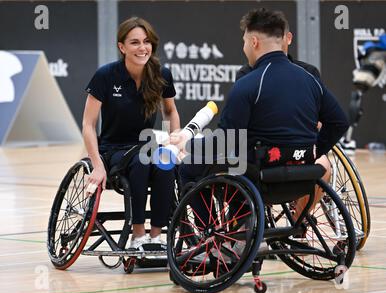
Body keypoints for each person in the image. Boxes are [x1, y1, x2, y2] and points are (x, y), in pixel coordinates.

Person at [173, 8, 349, 223]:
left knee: (188, 168)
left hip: (261, 179)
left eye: (245, 41)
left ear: (254, 41)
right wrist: (313, 152)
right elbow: (339, 122)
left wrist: (189, 144)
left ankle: (210, 236)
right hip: (304, 175)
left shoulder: (248, 83)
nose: (244, 47)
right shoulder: (309, 78)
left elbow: (224, 142)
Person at [82, 17, 180, 250]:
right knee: (142, 161)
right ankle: (138, 234)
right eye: (134, 42)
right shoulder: (106, 75)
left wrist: (173, 141)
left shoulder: (161, 74)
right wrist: (96, 164)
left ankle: (156, 237)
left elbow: (170, 112)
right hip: (113, 150)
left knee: (165, 163)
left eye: (146, 42)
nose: (142, 47)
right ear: (122, 47)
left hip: (146, 146)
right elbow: (88, 123)